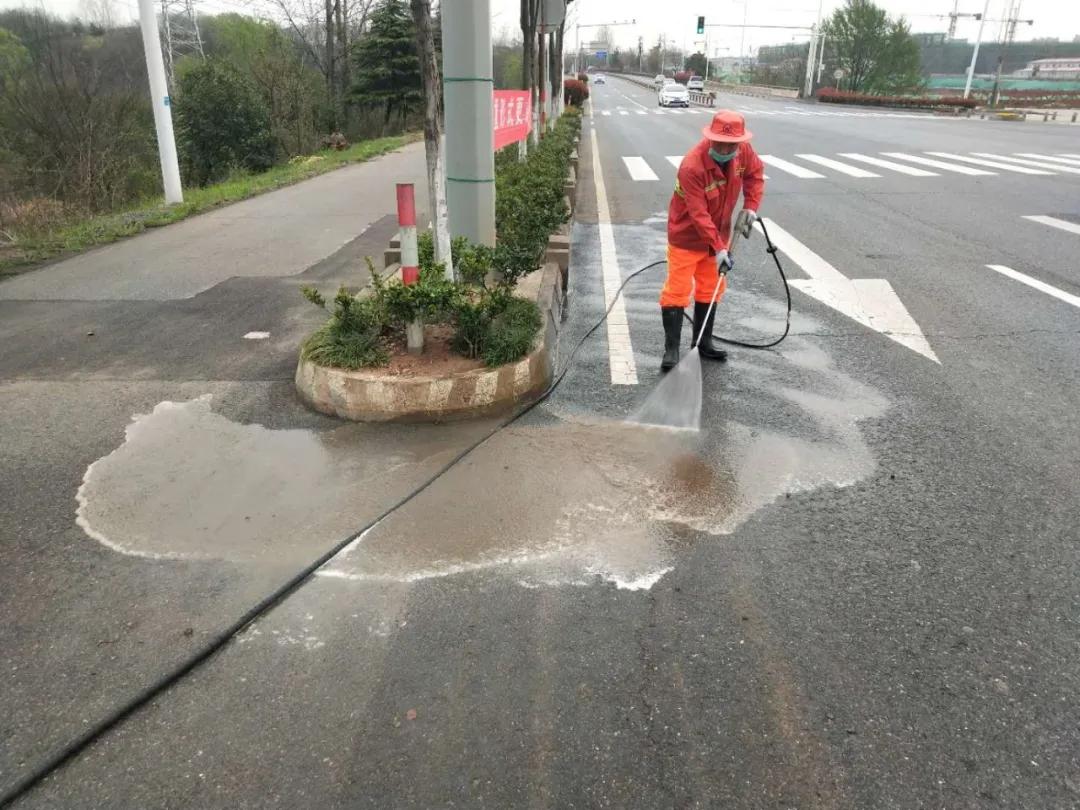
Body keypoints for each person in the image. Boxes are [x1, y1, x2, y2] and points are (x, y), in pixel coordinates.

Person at [660, 109, 765, 371]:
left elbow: (755, 174)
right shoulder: (692, 165)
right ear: (711, 137)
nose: (727, 148)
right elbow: (698, 214)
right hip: (686, 236)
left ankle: (702, 342)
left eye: (732, 144)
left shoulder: (743, 152)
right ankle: (671, 348)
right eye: (721, 143)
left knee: (711, 288)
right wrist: (719, 248)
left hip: (718, 235)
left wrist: (750, 206)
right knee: (677, 290)